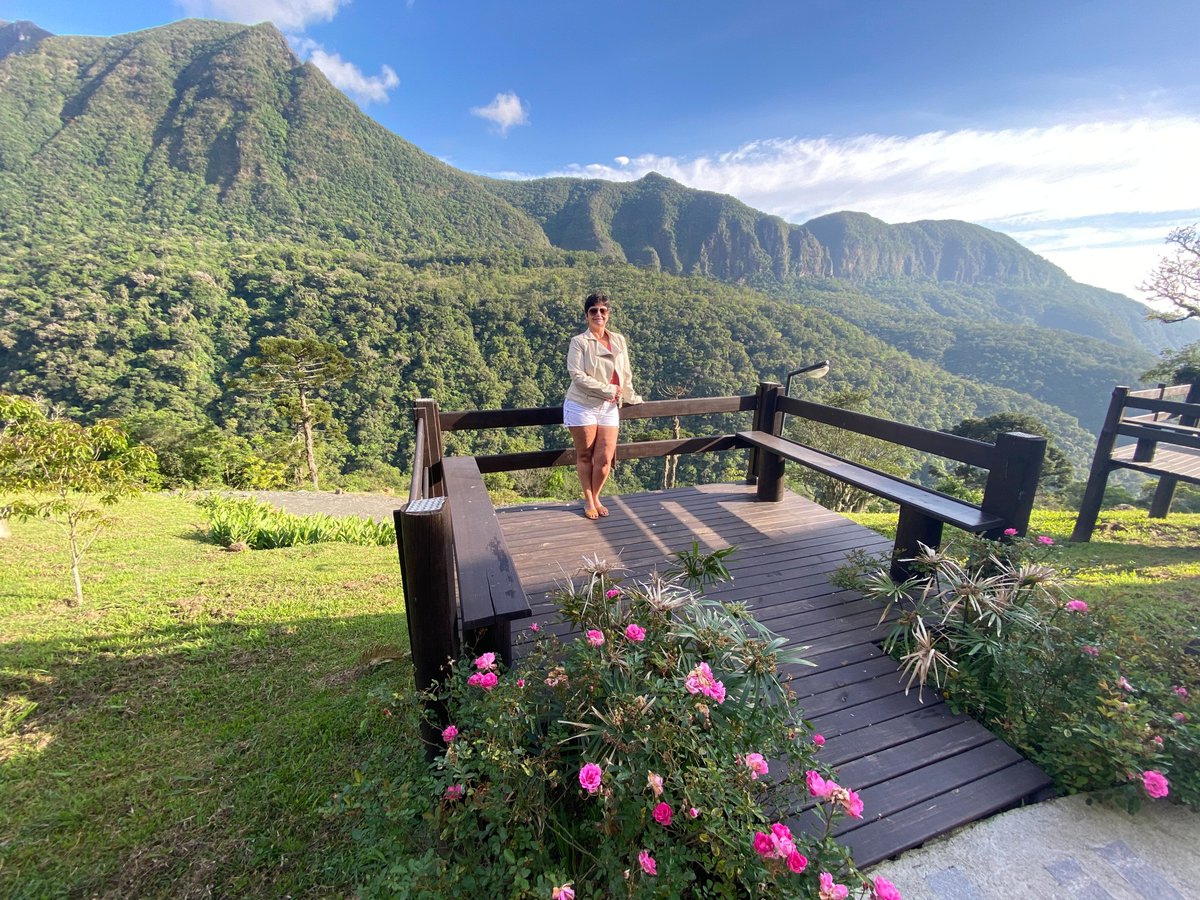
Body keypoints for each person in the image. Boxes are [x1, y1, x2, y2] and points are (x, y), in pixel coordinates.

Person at [563, 291, 642, 519]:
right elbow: (577, 376)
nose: (598, 314)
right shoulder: (579, 342)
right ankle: (589, 500)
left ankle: (596, 495)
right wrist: (608, 390)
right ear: (587, 315)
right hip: (582, 405)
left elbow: (624, 372)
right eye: (593, 311)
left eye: (602, 311)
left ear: (608, 314)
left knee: (605, 458)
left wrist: (630, 395)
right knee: (585, 455)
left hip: (609, 407)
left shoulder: (618, 340)